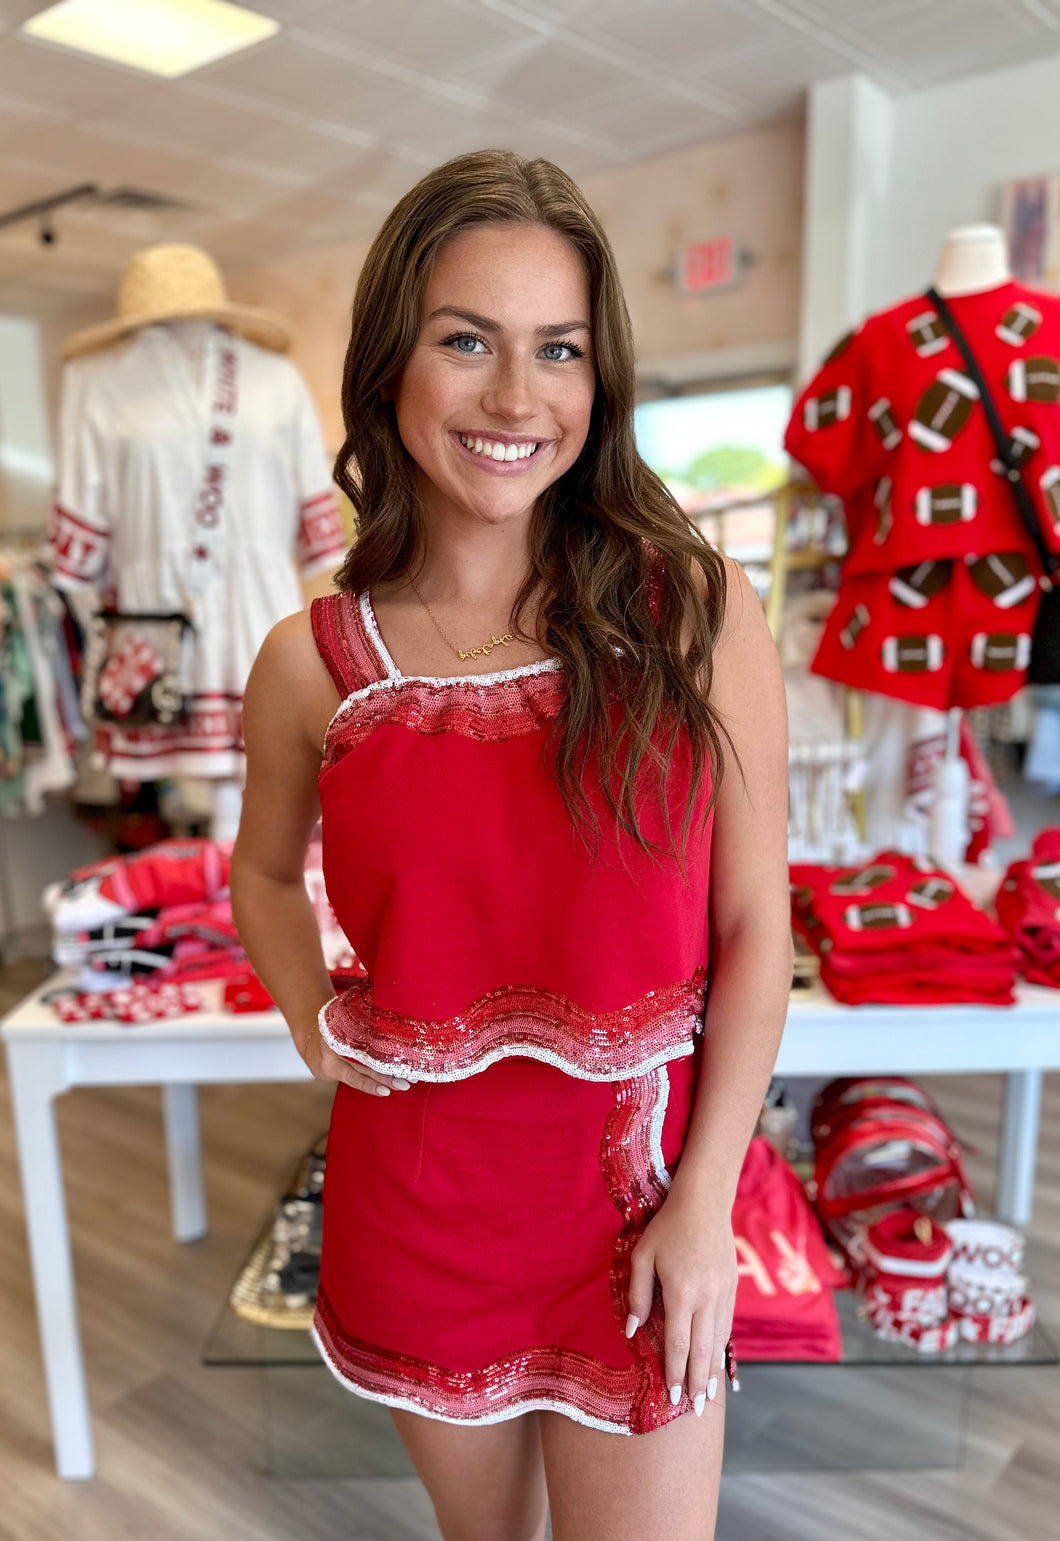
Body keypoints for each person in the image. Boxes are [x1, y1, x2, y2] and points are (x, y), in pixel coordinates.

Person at [230, 149, 791, 1541]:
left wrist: (706, 1199)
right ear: (389, 365)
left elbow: (754, 928)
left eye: (560, 350)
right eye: (467, 340)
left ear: (600, 385)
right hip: (416, 1208)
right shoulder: (312, 662)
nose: (515, 397)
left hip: (643, 1203)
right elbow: (256, 869)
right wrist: (317, 1021)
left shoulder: (694, 612)